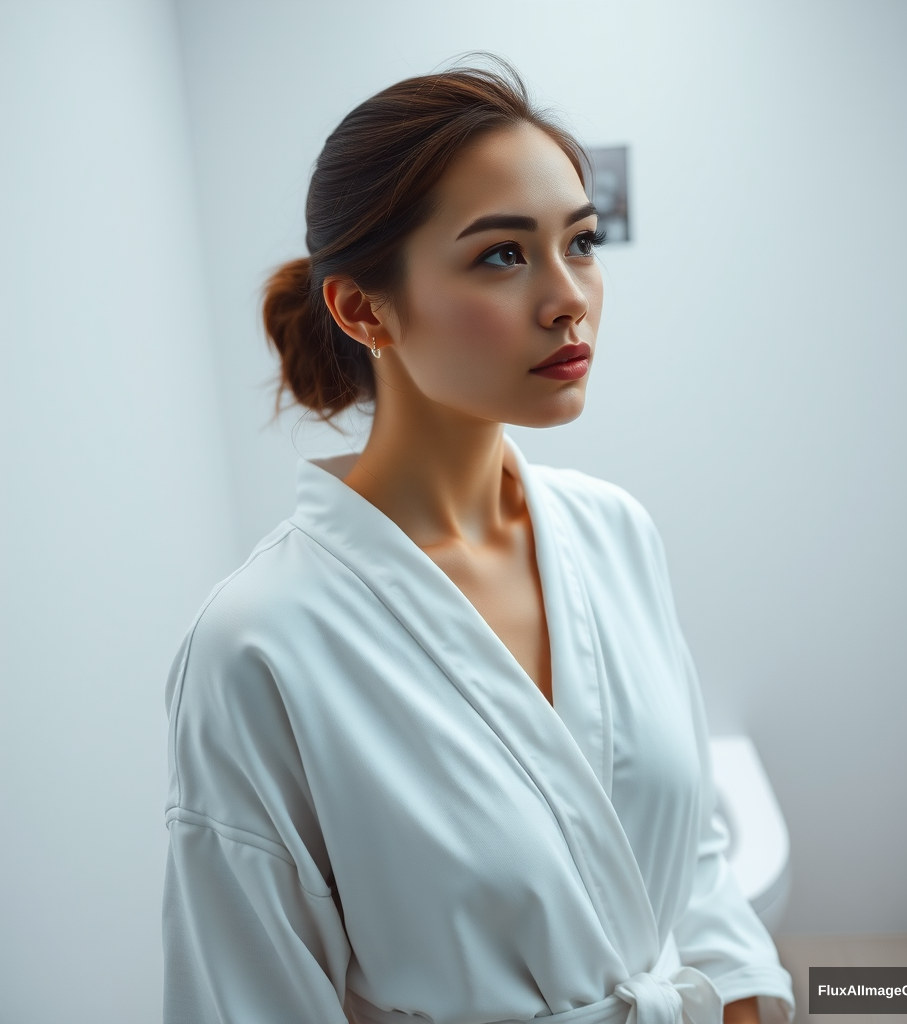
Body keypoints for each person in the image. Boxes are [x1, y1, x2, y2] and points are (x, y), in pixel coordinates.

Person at [162, 60, 795, 1024]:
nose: (567, 297)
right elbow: (249, 996)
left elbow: (690, 856)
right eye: (503, 255)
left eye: (580, 243)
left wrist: (742, 1000)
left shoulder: (614, 530)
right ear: (364, 308)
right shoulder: (256, 643)